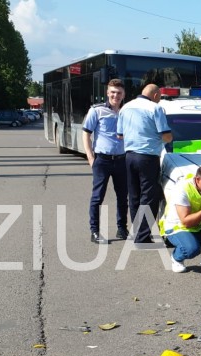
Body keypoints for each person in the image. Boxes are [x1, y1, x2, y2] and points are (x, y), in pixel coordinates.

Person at [116, 84, 172, 247]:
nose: (159, 99)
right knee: (149, 196)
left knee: (134, 195)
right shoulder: (155, 108)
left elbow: (119, 135)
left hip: (129, 156)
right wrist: (168, 138)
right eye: (159, 97)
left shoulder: (125, 107)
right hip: (148, 157)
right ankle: (143, 237)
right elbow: (166, 135)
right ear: (155, 95)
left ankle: (137, 232)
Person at [82, 78, 129, 244]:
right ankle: (94, 231)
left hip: (122, 160)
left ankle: (122, 228)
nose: (116, 95)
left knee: (123, 197)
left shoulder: (127, 111)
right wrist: (90, 157)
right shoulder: (97, 110)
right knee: (97, 197)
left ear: (124, 94)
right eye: (113, 92)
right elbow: (86, 133)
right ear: (108, 93)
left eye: (119, 93)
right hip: (102, 160)